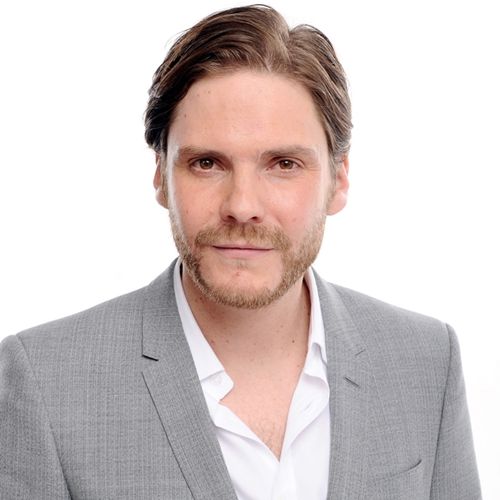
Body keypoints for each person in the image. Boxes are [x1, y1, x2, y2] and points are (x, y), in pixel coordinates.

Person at [0, 5, 481, 499]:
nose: (242, 206)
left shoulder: (428, 360)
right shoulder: (43, 381)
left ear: (338, 180)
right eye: (207, 163)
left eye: (284, 164)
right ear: (160, 175)